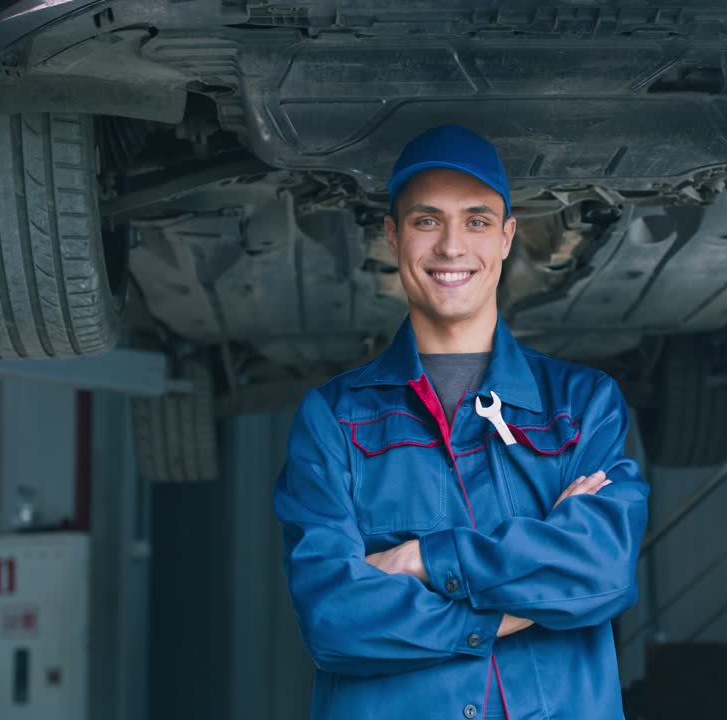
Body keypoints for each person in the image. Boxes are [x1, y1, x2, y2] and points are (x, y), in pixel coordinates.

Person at [274, 124, 650, 720]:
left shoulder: (582, 407)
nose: (452, 247)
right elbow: (333, 619)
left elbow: (599, 574)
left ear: (506, 238)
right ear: (394, 236)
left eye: (476, 221)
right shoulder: (334, 420)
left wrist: (422, 560)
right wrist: (510, 609)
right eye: (427, 221)